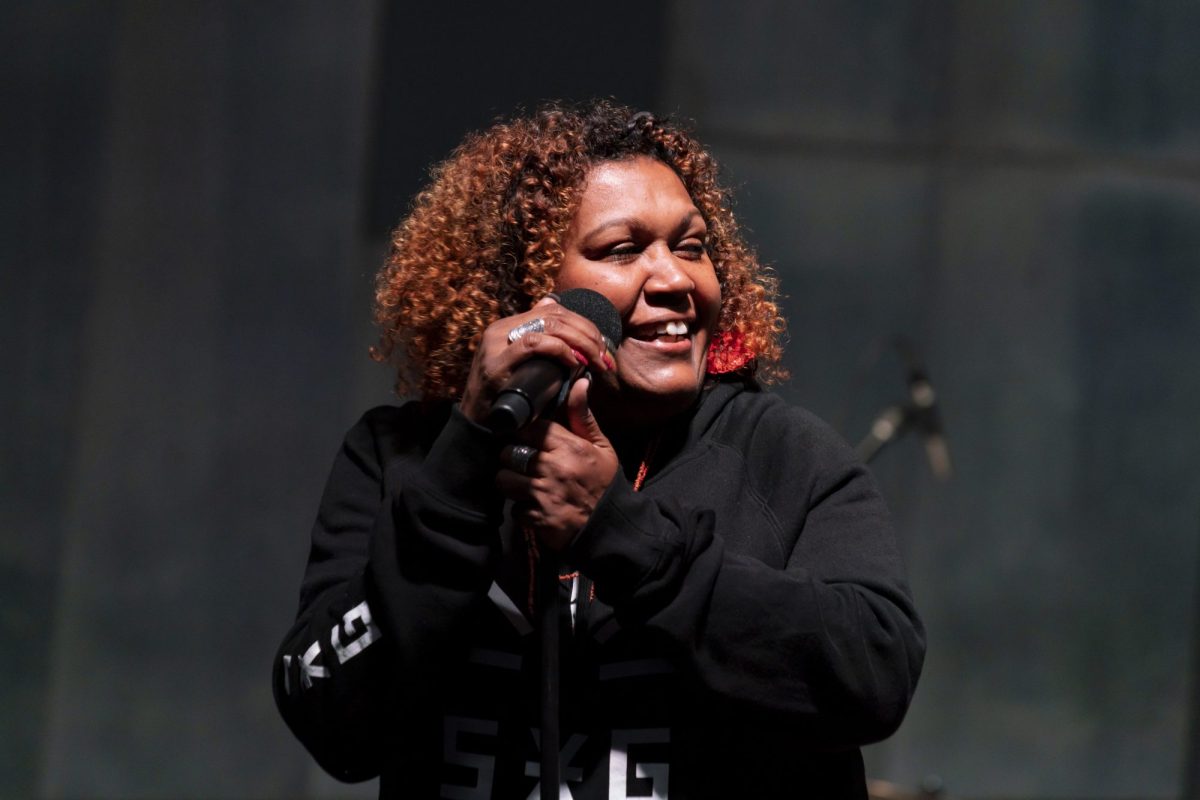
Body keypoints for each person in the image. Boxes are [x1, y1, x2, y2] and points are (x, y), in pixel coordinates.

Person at [273, 100, 925, 798]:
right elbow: (328, 715)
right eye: (622, 249)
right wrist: (464, 462)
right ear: (528, 288)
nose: (675, 279)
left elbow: (875, 675)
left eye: (692, 246)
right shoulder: (398, 457)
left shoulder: (787, 459)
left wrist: (622, 535)